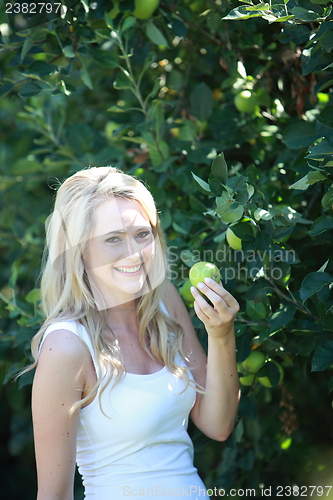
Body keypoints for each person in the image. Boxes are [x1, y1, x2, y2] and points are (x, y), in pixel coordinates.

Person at [28, 166, 240, 500]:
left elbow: (218, 424)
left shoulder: (164, 303)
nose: (134, 253)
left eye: (142, 234)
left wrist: (221, 335)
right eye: (113, 239)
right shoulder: (67, 346)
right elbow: (54, 494)